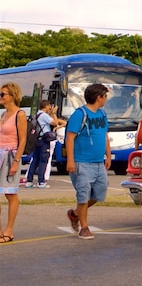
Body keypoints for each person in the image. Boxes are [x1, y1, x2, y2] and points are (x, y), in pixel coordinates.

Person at [65, 83, 112, 240]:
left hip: (99, 162)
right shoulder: (80, 114)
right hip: (82, 162)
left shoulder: (102, 114)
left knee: (100, 193)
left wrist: (108, 155)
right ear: (98, 97)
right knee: (83, 194)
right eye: (105, 96)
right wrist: (70, 161)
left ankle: (75, 214)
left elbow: (104, 134)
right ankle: (84, 227)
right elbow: (70, 138)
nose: (106, 99)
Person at [0, 82, 28, 243]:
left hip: (11, 155)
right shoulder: (2, 114)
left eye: (2, 94)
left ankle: (9, 230)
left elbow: (23, 139)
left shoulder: (20, 114)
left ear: (12, 96)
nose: (0, 97)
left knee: (10, 193)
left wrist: (17, 161)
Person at [26, 100, 63, 189]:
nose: (50, 108)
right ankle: (41, 181)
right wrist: (53, 113)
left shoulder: (36, 115)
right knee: (43, 160)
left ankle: (29, 181)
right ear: (46, 106)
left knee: (35, 160)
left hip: (37, 139)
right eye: (49, 106)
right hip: (44, 140)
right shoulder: (44, 115)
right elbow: (55, 123)